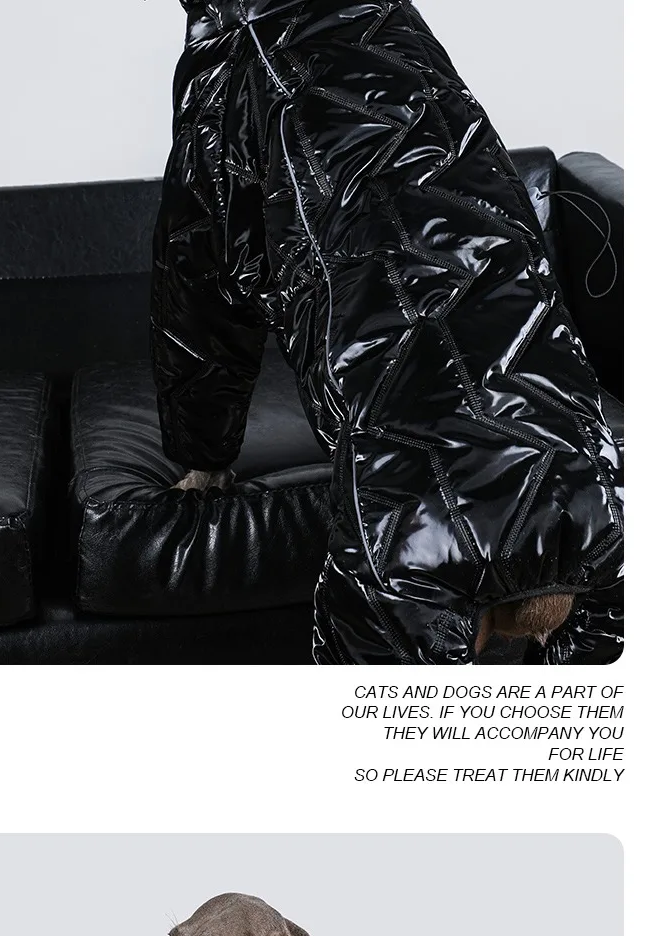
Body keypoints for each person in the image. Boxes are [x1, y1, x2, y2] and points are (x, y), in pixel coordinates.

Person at [150, 0, 624, 664]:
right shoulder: (405, 38)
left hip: (408, 520)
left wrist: (203, 453)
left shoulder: (232, 62)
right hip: (591, 482)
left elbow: (200, 287)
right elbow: (502, 216)